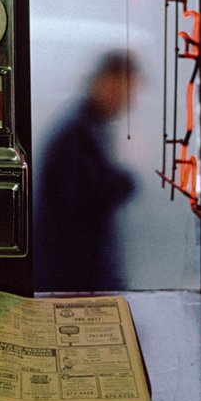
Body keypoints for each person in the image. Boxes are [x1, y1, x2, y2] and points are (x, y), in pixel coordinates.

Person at [33, 50, 140, 292]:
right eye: (125, 89)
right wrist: (127, 180)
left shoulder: (85, 126)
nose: (128, 100)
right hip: (71, 277)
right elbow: (86, 197)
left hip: (71, 273)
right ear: (105, 82)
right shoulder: (78, 133)